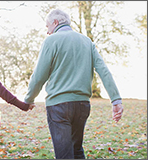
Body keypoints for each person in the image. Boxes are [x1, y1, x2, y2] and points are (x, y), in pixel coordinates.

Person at [24, 9, 123, 159]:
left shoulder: (51, 41)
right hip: (82, 105)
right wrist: (115, 99)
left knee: (64, 155)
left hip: (59, 106)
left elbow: (39, 76)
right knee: (76, 151)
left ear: (55, 23)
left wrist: (29, 99)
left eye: (47, 27)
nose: (47, 32)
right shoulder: (86, 41)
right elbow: (103, 70)